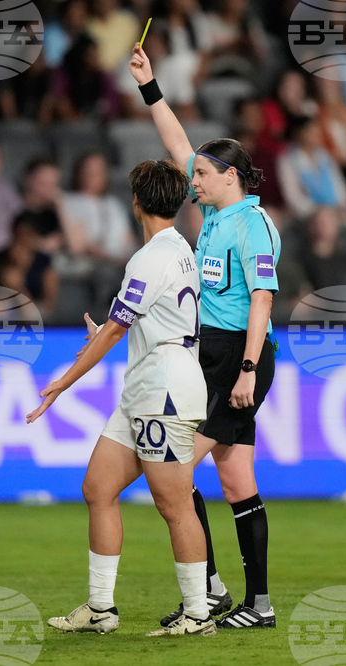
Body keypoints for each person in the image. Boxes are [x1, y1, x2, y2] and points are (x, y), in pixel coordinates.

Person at [129, 41, 281, 629]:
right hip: (212, 356)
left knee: (174, 469)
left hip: (236, 359)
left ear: (231, 178)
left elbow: (263, 299)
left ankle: (211, 592)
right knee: (238, 479)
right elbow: (176, 143)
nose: (192, 178)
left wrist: (246, 371)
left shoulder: (254, 225)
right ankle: (255, 605)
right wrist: (150, 85)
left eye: (202, 173)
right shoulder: (218, 213)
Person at [31, 160, 216, 638]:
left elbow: (115, 329)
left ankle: (197, 614)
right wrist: (112, 334)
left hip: (165, 391)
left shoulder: (149, 257)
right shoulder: (179, 249)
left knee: (174, 503)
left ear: (136, 202)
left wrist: (63, 381)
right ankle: (100, 609)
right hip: (146, 385)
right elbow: (137, 323)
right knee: (98, 488)